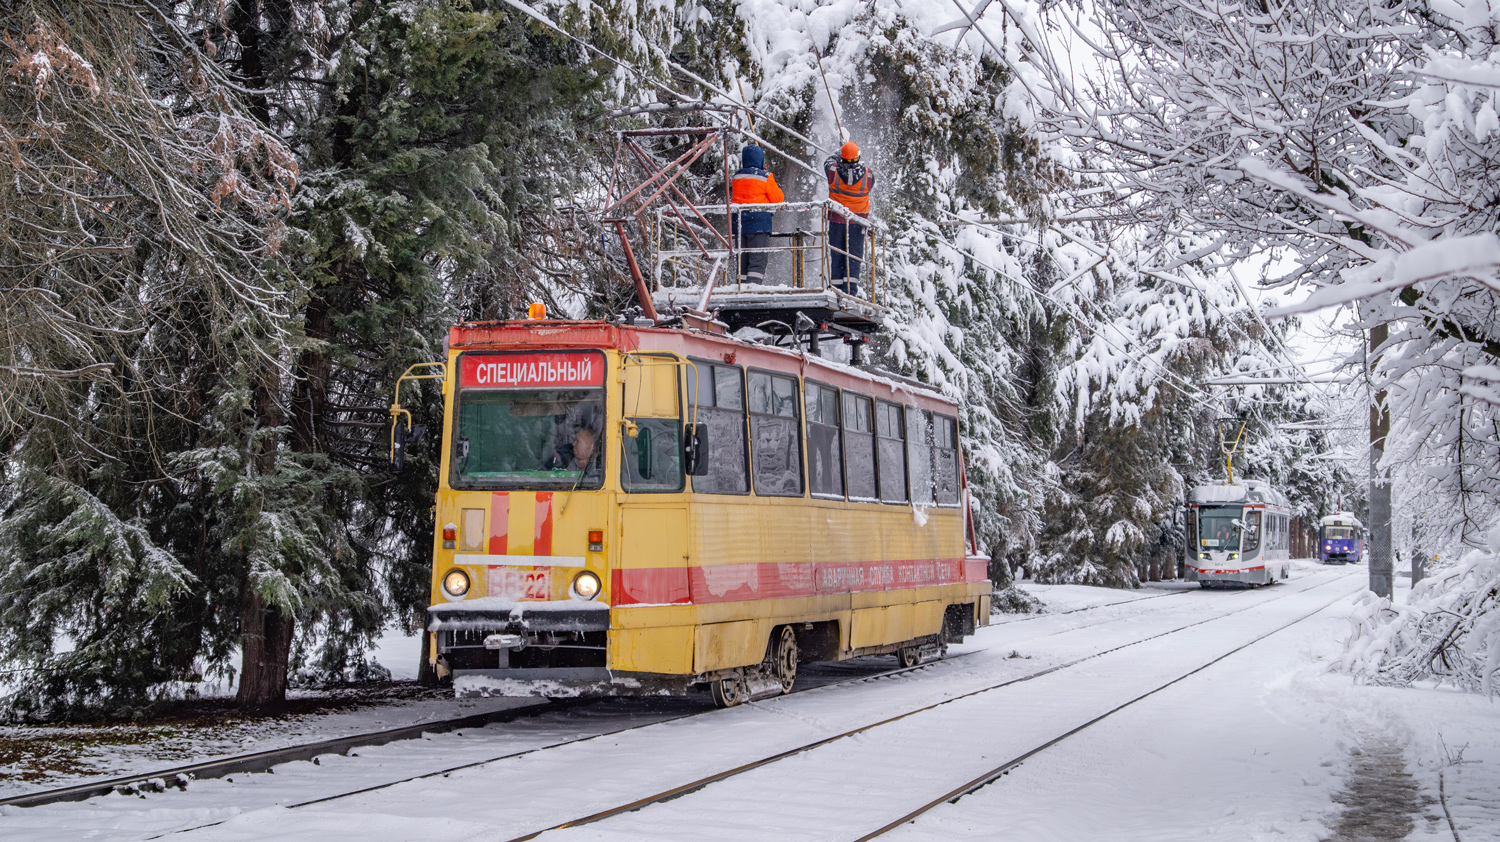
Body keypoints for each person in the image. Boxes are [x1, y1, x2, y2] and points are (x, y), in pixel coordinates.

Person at [824, 141, 875, 296]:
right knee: (854, 255)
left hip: (837, 219)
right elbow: (869, 185)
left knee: (837, 252)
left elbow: (827, 161)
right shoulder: (868, 174)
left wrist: (839, 151)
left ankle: (836, 289)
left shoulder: (832, 170)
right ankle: (850, 290)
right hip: (858, 221)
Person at [730, 144, 784, 284]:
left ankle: (740, 290)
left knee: (742, 261)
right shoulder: (765, 177)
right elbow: (778, 198)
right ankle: (753, 290)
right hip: (759, 224)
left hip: (740, 225)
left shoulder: (737, 177)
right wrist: (765, 173)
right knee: (757, 261)